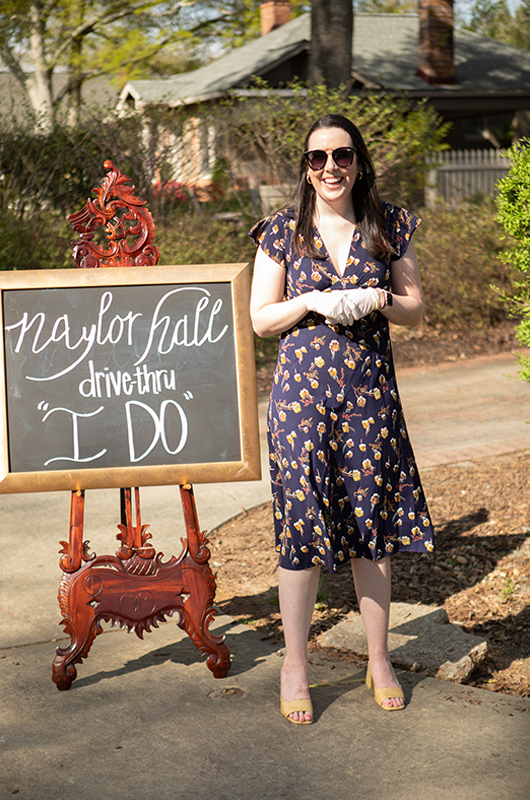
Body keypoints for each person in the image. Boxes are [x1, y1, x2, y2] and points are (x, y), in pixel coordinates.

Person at [249, 114, 434, 725]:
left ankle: (378, 658)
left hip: (369, 399)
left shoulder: (389, 225)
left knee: (372, 530)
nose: (330, 167)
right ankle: (294, 664)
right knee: (301, 530)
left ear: (359, 162)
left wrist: (379, 297)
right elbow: (260, 320)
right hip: (301, 403)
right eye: (317, 158)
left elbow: (414, 313)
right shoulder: (283, 232)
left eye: (342, 155)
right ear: (304, 168)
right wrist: (309, 301)